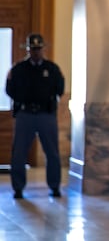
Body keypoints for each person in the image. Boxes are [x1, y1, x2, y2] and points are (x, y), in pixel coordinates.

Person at [5, 33, 64, 199]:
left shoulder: (52, 69)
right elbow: (10, 89)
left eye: (38, 48)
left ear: (43, 49)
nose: (36, 52)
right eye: (33, 49)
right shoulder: (18, 69)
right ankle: (18, 188)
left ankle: (54, 186)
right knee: (19, 153)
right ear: (28, 49)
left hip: (46, 114)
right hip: (25, 115)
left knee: (52, 152)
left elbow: (59, 88)